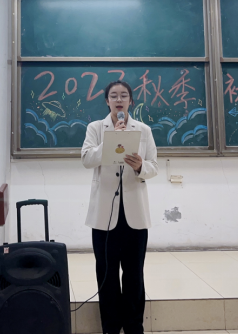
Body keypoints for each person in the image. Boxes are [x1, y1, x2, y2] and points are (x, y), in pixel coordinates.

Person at [81, 81, 158, 334]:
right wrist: (112, 139)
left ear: (130, 101)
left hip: (135, 214)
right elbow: (86, 159)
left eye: (124, 95)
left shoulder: (143, 130)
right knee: (107, 274)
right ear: (107, 101)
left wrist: (140, 166)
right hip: (104, 215)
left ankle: (134, 326)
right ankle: (111, 327)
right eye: (113, 96)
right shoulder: (96, 128)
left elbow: (154, 167)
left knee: (134, 274)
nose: (119, 100)